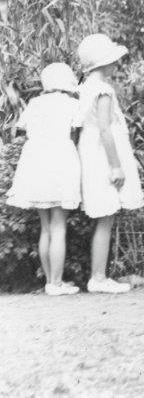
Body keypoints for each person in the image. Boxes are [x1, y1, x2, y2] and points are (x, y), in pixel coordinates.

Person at [5, 63, 83, 295]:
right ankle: (56, 284)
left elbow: (24, 128)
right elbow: (77, 130)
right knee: (59, 225)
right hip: (60, 161)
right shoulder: (71, 104)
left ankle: (51, 281)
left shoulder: (35, 103)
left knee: (46, 227)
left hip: (36, 162)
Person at [77, 33, 144, 293]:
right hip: (103, 155)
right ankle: (98, 277)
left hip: (90, 151)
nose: (115, 64)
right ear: (102, 63)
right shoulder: (103, 90)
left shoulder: (84, 87)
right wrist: (116, 166)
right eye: (112, 60)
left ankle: (99, 276)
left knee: (105, 215)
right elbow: (105, 130)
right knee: (106, 216)